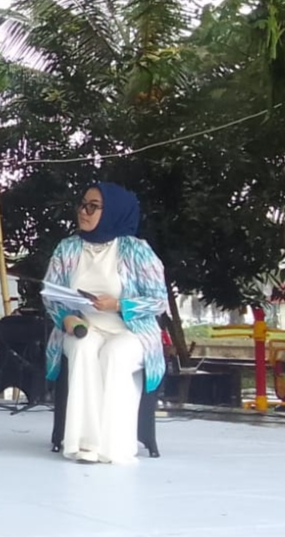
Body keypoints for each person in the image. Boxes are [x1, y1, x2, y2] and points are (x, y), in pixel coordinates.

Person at [43, 182, 169, 465]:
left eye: (93, 207)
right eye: (82, 205)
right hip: (84, 326)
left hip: (131, 331)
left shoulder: (136, 250)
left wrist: (120, 305)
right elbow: (51, 294)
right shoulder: (67, 248)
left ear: (112, 211)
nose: (83, 212)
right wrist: (65, 317)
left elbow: (158, 301)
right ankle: (84, 443)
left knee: (115, 354)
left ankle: (115, 445)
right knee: (82, 349)